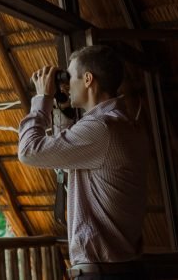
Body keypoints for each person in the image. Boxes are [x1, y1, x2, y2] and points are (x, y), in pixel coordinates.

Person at [18, 44, 148, 279]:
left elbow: (28, 151)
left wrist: (41, 99)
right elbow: (65, 158)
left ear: (88, 79)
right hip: (122, 269)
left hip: (102, 273)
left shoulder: (102, 128)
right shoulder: (122, 124)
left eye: (70, 77)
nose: (67, 85)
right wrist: (61, 106)